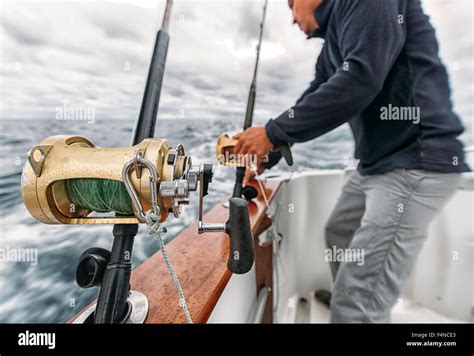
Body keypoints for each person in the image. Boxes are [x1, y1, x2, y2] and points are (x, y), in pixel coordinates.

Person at [233, 0, 470, 323]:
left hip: (418, 160)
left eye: (291, 5)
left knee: (357, 300)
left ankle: (356, 308)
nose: (291, 19)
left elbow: (361, 79)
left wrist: (272, 132)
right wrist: (270, 151)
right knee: (340, 231)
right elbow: (319, 92)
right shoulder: (333, 44)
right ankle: (352, 301)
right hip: (379, 163)